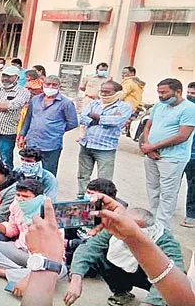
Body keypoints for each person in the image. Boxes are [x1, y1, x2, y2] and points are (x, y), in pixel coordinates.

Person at [65, 206, 185, 306]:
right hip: (124, 271)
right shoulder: (118, 227)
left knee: (168, 289)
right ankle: (121, 292)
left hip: (149, 278)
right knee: (99, 257)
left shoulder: (165, 242)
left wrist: (150, 303)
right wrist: (76, 279)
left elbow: (176, 274)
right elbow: (88, 248)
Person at [0, 180, 61, 296]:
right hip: (20, 250)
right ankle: (20, 271)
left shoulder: (50, 213)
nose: (20, 199)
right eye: (18, 195)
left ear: (37, 197)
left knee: (57, 271)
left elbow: (57, 251)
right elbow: (12, 229)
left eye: (25, 196)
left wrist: (40, 263)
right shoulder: (16, 205)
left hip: (44, 259)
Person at [140, 78, 195, 229]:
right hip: (151, 155)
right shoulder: (159, 106)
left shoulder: (189, 109)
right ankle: (153, 223)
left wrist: (152, 147)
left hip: (172, 158)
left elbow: (182, 135)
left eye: (164, 92)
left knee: (167, 193)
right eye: (159, 92)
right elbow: (147, 126)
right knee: (152, 189)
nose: (161, 95)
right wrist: (148, 146)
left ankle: (162, 228)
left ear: (178, 92)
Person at [76, 81, 132, 197]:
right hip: (86, 145)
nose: (104, 94)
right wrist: (104, 120)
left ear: (117, 93)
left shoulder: (124, 107)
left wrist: (96, 117)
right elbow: (83, 118)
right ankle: (82, 197)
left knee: (104, 179)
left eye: (108, 92)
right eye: (102, 91)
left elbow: (117, 122)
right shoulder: (93, 103)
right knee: (83, 175)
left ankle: (102, 201)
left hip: (105, 148)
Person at [18, 75, 79, 176]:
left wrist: (57, 129)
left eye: (54, 85)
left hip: (51, 144)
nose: (50, 87)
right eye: (48, 84)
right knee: (29, 169)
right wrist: (22, 135)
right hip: (32, 141)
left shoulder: (66, 103)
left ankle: (47, 191)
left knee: (48, 172)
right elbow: (28, 118)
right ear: (43, 85)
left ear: (59, 86)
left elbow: (73, 123)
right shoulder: (35, 100)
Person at [182, 82, 195, 228]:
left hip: (193, 155)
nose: (190, 96)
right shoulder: (184, 109)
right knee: (170, 186)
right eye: (189, 93)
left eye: (194, 94)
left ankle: (191, 214)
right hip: (178, 154)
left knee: (193, 186)